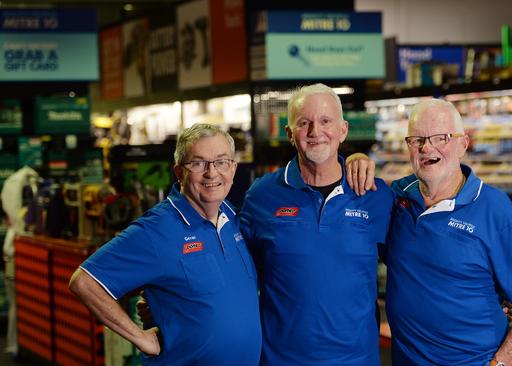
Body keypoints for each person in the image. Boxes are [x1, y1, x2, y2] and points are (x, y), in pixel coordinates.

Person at [347, 98, 512, 365]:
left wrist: (499, 364)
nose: (426, 148)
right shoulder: (397, 197)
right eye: (416, 140)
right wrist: (356, 158)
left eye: (440, 138)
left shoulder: (492, 207)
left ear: (463, 144)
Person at [68, 124, 261, 365]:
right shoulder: (156, 229)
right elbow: (84, 282)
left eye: (221, 162)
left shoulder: (233, 219)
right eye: (198, 164)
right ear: (179, 172)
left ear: (233, 169)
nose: (212, 173)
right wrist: (140, 338)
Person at [238, 83, 394, 365]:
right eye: (304, 123)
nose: (315, 132)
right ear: (289, 134)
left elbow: (417, 263)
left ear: (343, 130)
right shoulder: (261, 197)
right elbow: (234, 274)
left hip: (358, 360)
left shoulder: (375, 195)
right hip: (280, 360)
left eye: (325, 121)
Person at [1, 166, 39, 358]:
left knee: (17, 305)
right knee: (16, 304)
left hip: (13, 250)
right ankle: (14, 346)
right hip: (14, 254)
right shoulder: (19, 184)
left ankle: (15, 345)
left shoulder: (13, 185)